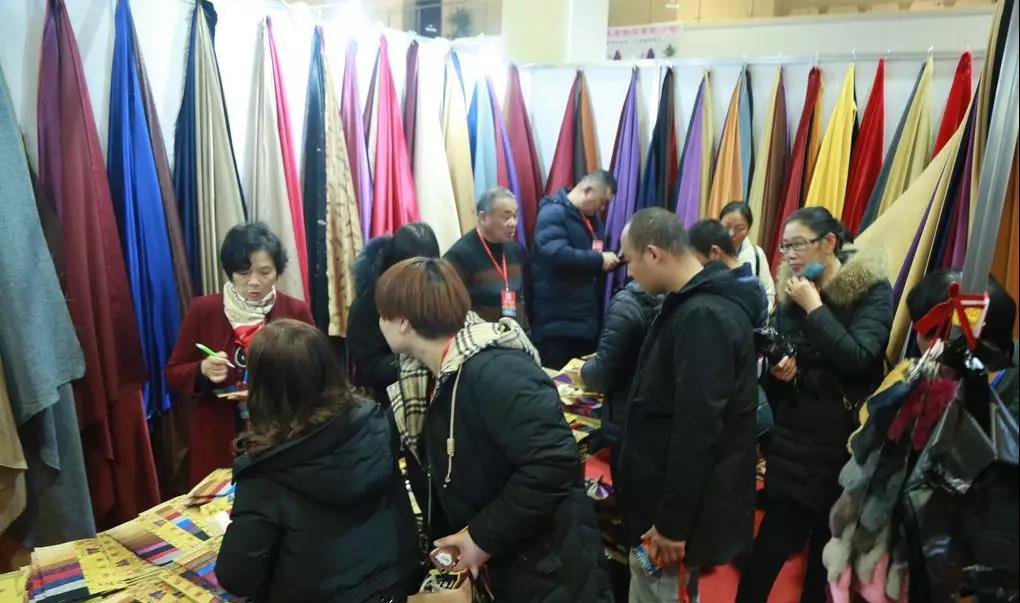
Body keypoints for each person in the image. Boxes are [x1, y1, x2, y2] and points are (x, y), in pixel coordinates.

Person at [376, 258, 610, 603]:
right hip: (514, 561)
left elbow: (554, 464)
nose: (379, 323)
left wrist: (480, 537)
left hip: (549, 568)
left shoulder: (495, 370)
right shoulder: (428, 375)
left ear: (403, 322)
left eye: (383, 314)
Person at [736, 207, 893, 603]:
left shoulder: (870, 289)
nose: (789, 255)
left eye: (798, 245)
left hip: (844, 440)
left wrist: (815, 308)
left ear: (829, 243)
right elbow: (782, 353)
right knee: (772, 542)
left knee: (826, 549)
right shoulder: (792, 290)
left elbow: (859, 357)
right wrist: (782, 369)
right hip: (794, 438)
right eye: (784, 246)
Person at [216, 320, 421, 603]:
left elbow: (236, 578)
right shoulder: (374, 421)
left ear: (262, 388)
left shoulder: (267, 472)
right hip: (399, 583)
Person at [617, 208, 760, 603]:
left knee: (659, 592)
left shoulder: (703, 315)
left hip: (675, 511)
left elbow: (696, 429)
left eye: (630, 260)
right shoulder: (694, 304)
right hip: (669, 498)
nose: (630, 272)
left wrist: (672, 524)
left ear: (653, 254)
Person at [166, 222, 313, 486]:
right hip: (219, 436)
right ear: (230, 272)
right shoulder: (204, 310)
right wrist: (202, 370)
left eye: (264, 272)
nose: (254, 282)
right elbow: (173, 373)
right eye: (243, 273)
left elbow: (317, 372)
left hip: (282, 434)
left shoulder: (295, 311)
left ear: (277, 271)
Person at [531, 170, 621, 370]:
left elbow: (589, 258)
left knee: (581, 386)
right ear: (587, 190)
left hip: (585, 322)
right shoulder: (552, 213)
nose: (603, 208)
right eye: (602, 201)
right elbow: (556, 255)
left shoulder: (592, 221)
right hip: (557, 326)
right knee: (559, 384)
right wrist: (599, 260)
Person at [346, 223, 440, 407]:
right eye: (415, 272)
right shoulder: (367, 305)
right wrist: (417, 354)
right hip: (393, 400)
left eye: (429, 269)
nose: (422, 278)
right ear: (396, 265)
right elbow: (368, 368)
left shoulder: (437, 289)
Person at [579, 279, 663, 471]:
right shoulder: (673, 296)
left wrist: (583, 370)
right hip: (652, 417)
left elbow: (601, 375)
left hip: (624, 418)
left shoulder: (627, 304)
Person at [444, 187, 527, 324]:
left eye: (515, 216)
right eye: (506, 217)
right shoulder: (459, 256)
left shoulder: (515, 250)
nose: (513, 223)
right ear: (483, 217)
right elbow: (448, 308)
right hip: (480, 335)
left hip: (515, 333)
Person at [689, 218, 769, 328]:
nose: (693, 266)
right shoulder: (757, 285)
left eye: (696, 258)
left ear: (715, 252)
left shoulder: (717, 288)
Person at [720, 202, 776, 313]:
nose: (731, 233)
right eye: (726, 226)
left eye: (739, 228)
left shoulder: (757, 254)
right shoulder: (707, 252)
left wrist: (758, 316)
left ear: (748, 230)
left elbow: (768, 293)